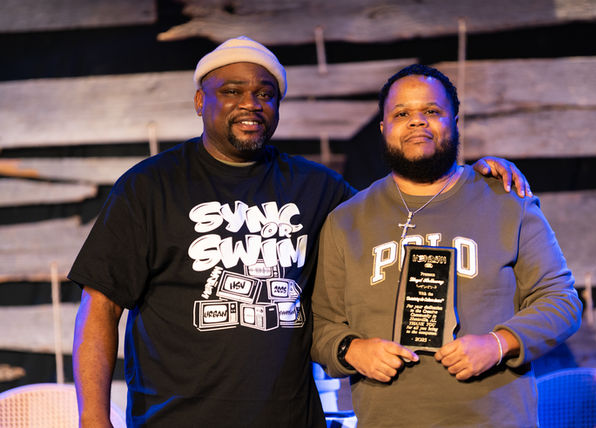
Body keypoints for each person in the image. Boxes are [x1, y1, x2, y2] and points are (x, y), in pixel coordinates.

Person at [70, 37, 531, 427]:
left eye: (265, 93)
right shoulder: (150, 186)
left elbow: (403, 208)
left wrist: (466, 177)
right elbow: (100, 308)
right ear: (199, 101)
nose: (250, 103)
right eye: (231, 91)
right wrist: (93, 418)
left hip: (291, 418)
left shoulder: (315, 187)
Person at [311, 64, 582, 427]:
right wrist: (352, 350)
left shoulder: (507, 202)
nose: (417, 121)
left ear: (454, 122)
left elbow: (562, 302)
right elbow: (321, 324)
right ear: (383, 127)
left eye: (432, 111)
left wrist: (498, 344)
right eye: (402, 113)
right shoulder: (346, 221)